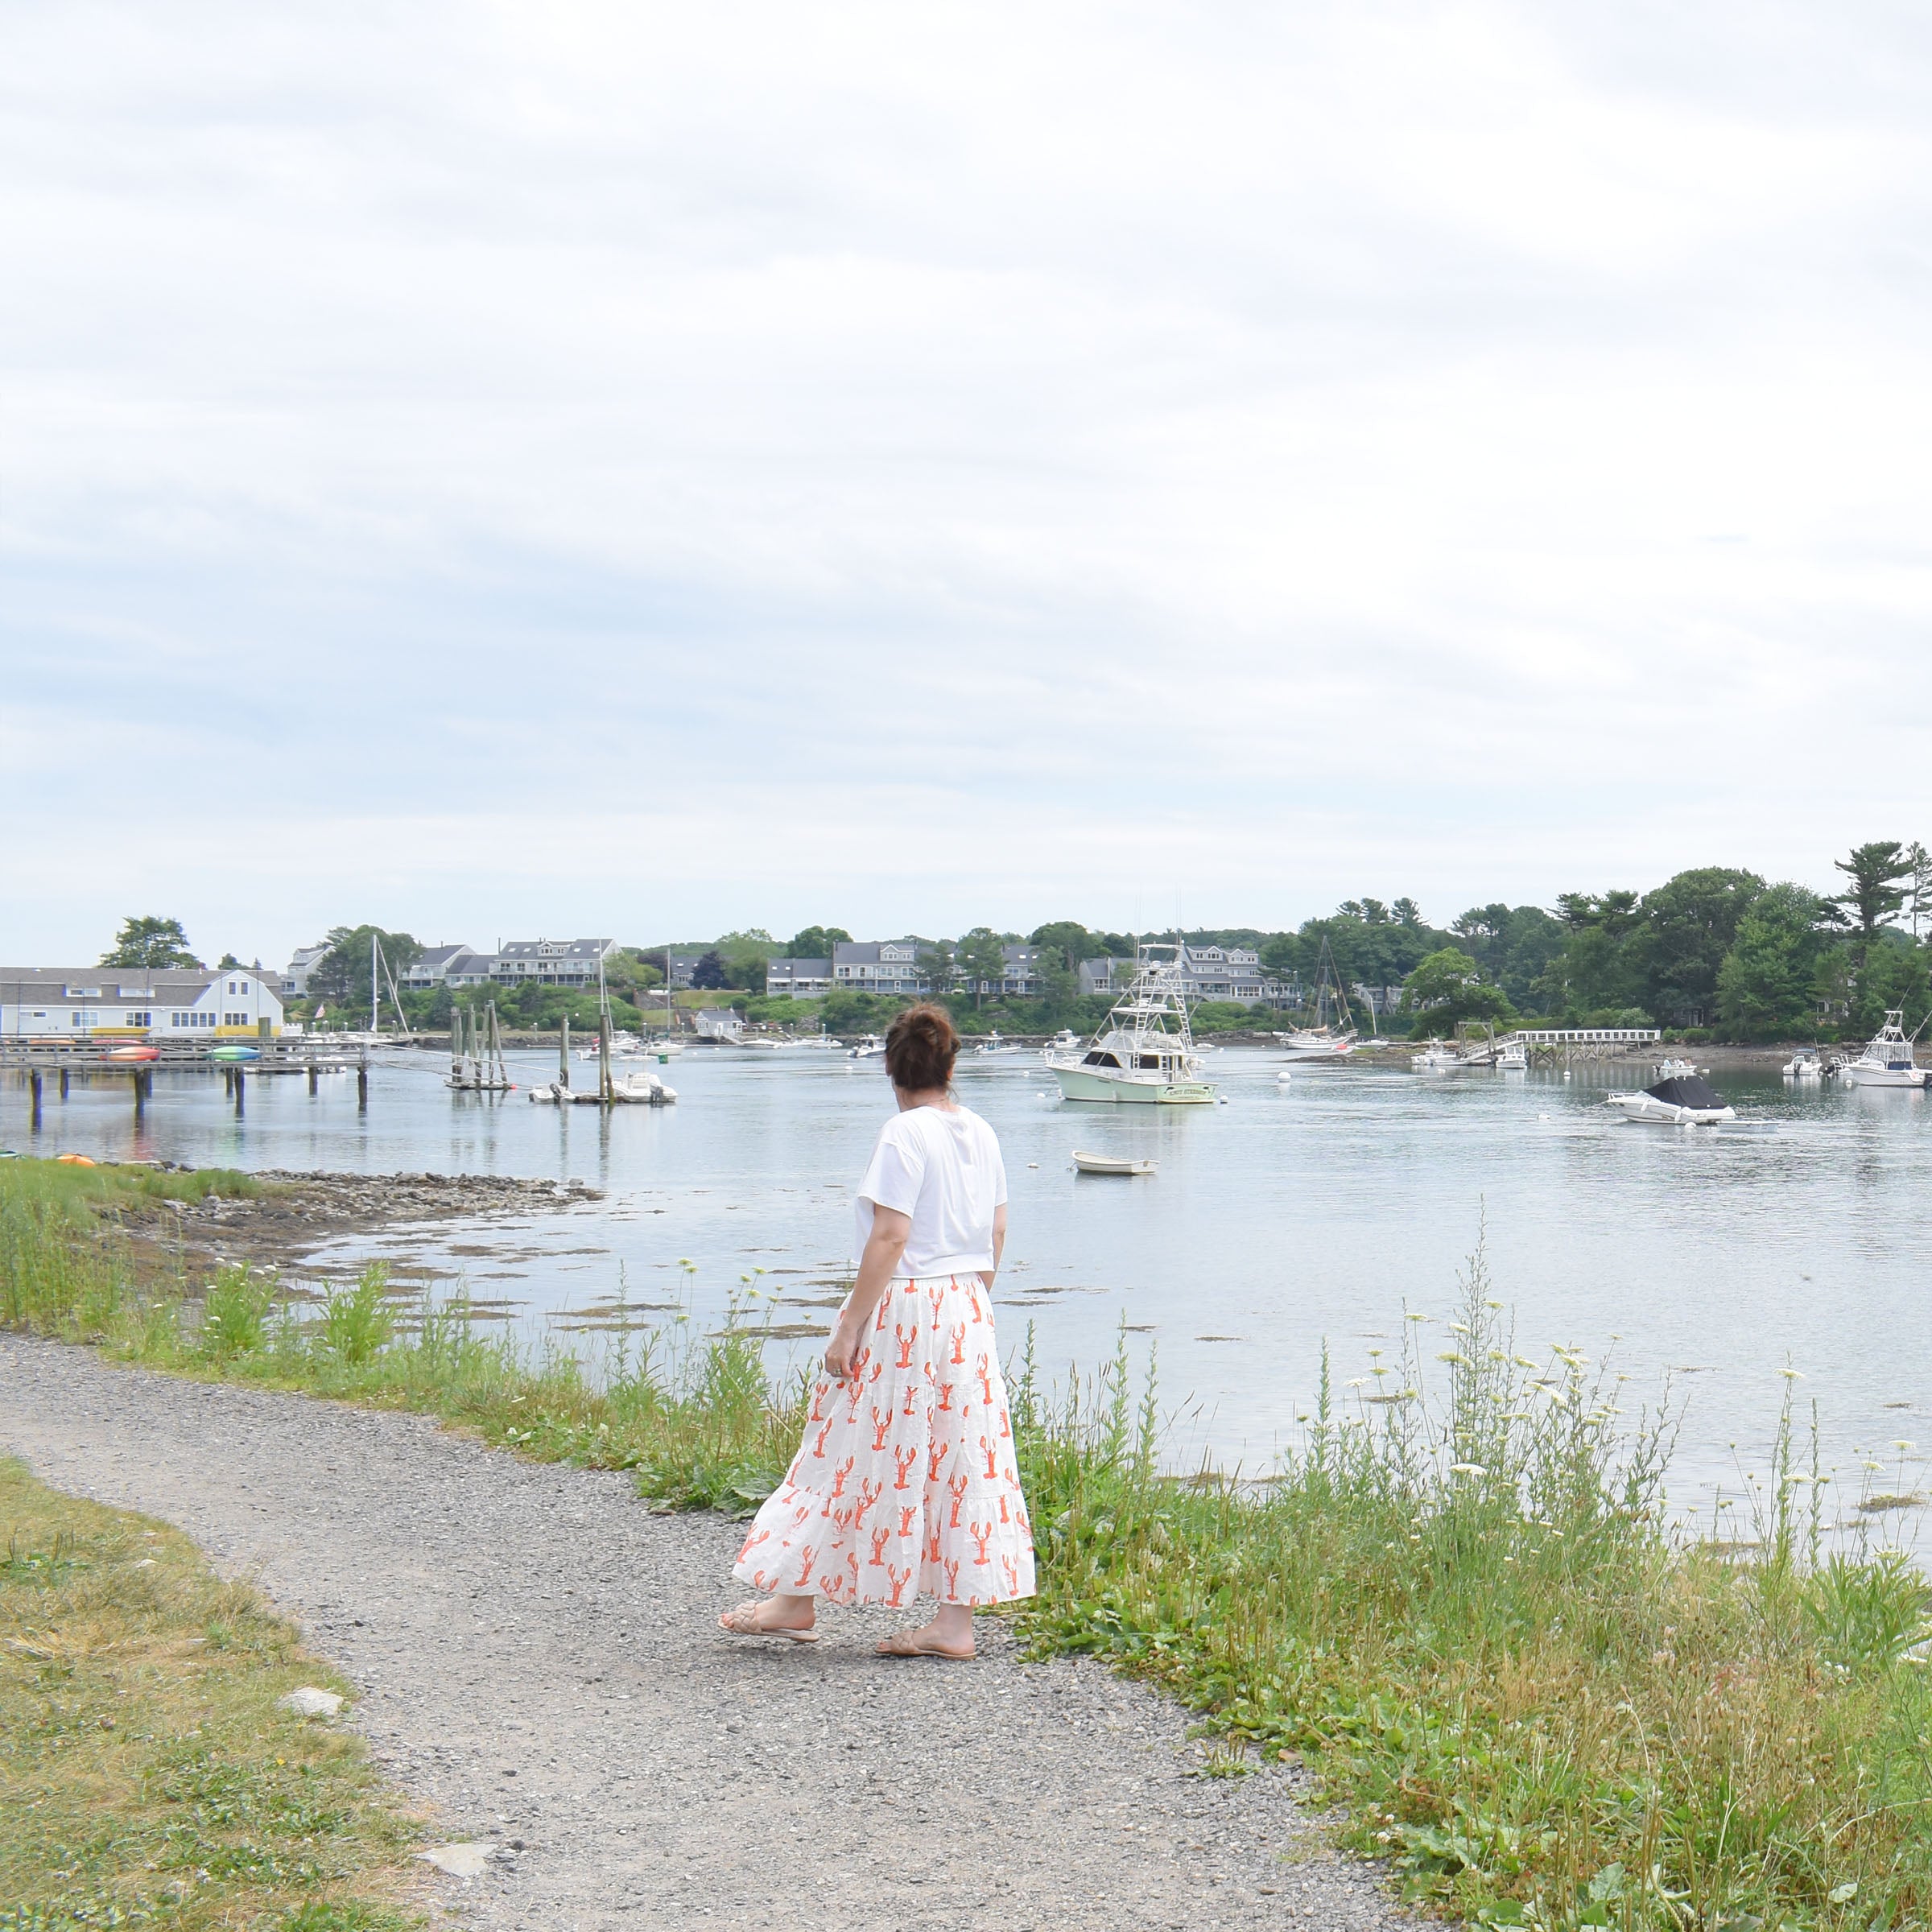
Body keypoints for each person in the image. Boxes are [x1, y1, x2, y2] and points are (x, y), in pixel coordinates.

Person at [720, 1003, 1034, 1658]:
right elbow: (998, 1230)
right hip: (967, 1305)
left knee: (844, 1444)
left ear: (893, 1072)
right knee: (961, 1458)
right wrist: (974, 1303)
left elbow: (892, 1237)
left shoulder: (904, 1135)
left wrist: (849, 1326)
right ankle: (954, 1625)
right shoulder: (981, 1131)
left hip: (909, 1307)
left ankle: (794, 1599)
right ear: (950, 1067)